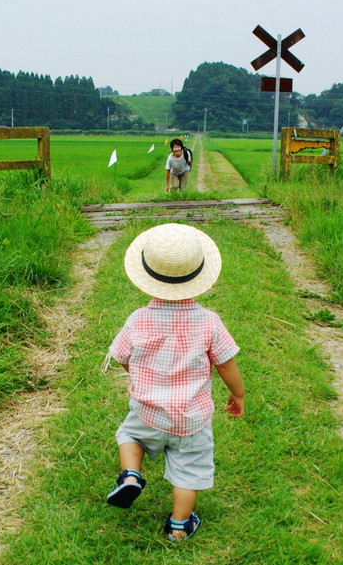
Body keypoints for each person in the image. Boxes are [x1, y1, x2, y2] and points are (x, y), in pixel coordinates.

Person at [106, 223, 245, 542]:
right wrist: (238, 393)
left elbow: (123, 356)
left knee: (129, 435)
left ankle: (131, 474)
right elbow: (226, 363)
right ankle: (180, 526)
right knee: (189, 469)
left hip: (147, 412)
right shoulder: (209, 321)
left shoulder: (138, 319)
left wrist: (138, 372)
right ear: (199, 280)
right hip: (191, 420)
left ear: (147, 279)